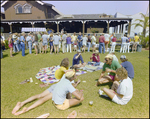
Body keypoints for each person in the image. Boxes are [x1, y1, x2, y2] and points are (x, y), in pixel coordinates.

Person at [12, 70, 81, 116]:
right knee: (43, 99)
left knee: (40, 95)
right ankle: (28, 109)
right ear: (72, 77)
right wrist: (77, 83)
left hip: (54, 86)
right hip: (57, 90)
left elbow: (66, 72)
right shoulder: (69, 82)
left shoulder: (66, 75)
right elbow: (71, 88)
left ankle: (22, 103)